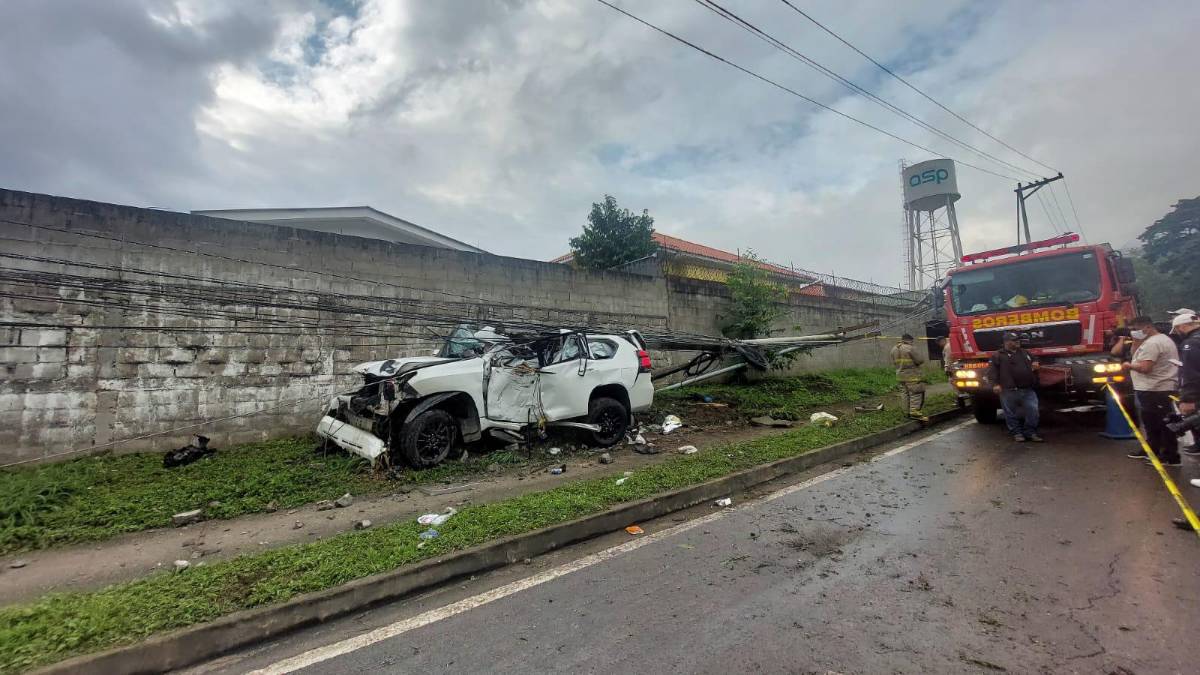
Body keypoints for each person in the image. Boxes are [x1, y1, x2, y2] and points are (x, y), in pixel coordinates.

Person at [1121, 316, 1180, 466]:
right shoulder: (1154, 340)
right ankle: (1153, 450)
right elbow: (1135, 356)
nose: (1133, 332)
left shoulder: (1153, 343)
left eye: (1135, 329)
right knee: (1151, 423)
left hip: (1155, 389)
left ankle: (1169, 456)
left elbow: (1145, 367)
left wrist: (1128, 366)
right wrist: (1136, 341)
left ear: (1147, 327)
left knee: (1161, 424)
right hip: (1152, 388)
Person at [988, 332, 1042, 442]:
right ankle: (1017, 433)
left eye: (1018, 340)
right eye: (1014, 340)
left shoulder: (1024, 352)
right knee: (1010, 413)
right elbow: (992, 372)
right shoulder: (997, 355)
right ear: (1006, 342)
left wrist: (1036, 362)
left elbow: (1035, 358)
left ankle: (1030, 432)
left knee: (1033, 411)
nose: (1018, 342)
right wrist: (995, 384)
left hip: (1027, 389)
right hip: (1008, 390)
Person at [1172, 313, 1200, 461]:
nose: (1178, 333)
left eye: (1177, 329)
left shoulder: (1191, 344)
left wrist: (1188, 399)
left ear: (1183, 326)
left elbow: (1191, 373)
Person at [890, 334, 927, 420]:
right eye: (912, 341)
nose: (912, 343)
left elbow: (894, 362)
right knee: (915, 393)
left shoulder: (894, 349)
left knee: (904, 394)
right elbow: (920, 360)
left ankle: (906, 412)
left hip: (900, 375)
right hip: (912, 375)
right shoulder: (910, 348)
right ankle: (914, 412)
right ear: (909, 340)